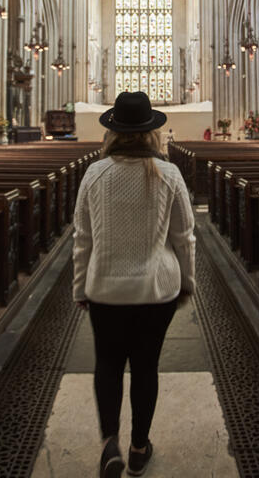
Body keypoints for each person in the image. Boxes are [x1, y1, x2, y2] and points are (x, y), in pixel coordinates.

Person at [73, 91, 196, 478]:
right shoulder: (169, 174)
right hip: (155, 291)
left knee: (107, 364)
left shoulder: (95, 173)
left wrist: (80, 287)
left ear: (113, 132)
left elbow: (82, 240)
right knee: (146, 367)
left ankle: (110, 442)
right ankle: (139, 448)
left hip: (106, 288)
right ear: (151, 132)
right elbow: (184, 237)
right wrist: (188, 283)